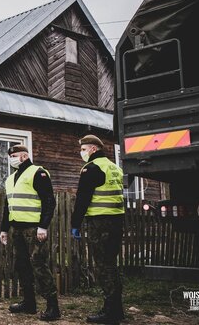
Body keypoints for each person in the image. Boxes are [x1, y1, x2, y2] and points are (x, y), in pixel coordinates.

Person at [0, 145, 60, 321]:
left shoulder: (38, 173)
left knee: (39, 266)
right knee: (21, 266)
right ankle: (29, 303)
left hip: (34, 229)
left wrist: (43, 226)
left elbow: (49, 201)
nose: (11, 158)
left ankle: (52, 307)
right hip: (17, 229)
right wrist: (4, 229)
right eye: (10, 156)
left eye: (15, 155)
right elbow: (7, 206)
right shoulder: (10, 179)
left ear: (25, 156)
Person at [70, 135, 125, 324]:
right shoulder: (114, 167)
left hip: (100, 223)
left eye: (84, 149)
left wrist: (75, 224)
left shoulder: (91, 168)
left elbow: (83, 198)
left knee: (104, 266)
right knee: (111, 264)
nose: (81, 153)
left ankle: (110, 313)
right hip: (117, 220)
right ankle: (117, 309)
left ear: (93, 149)